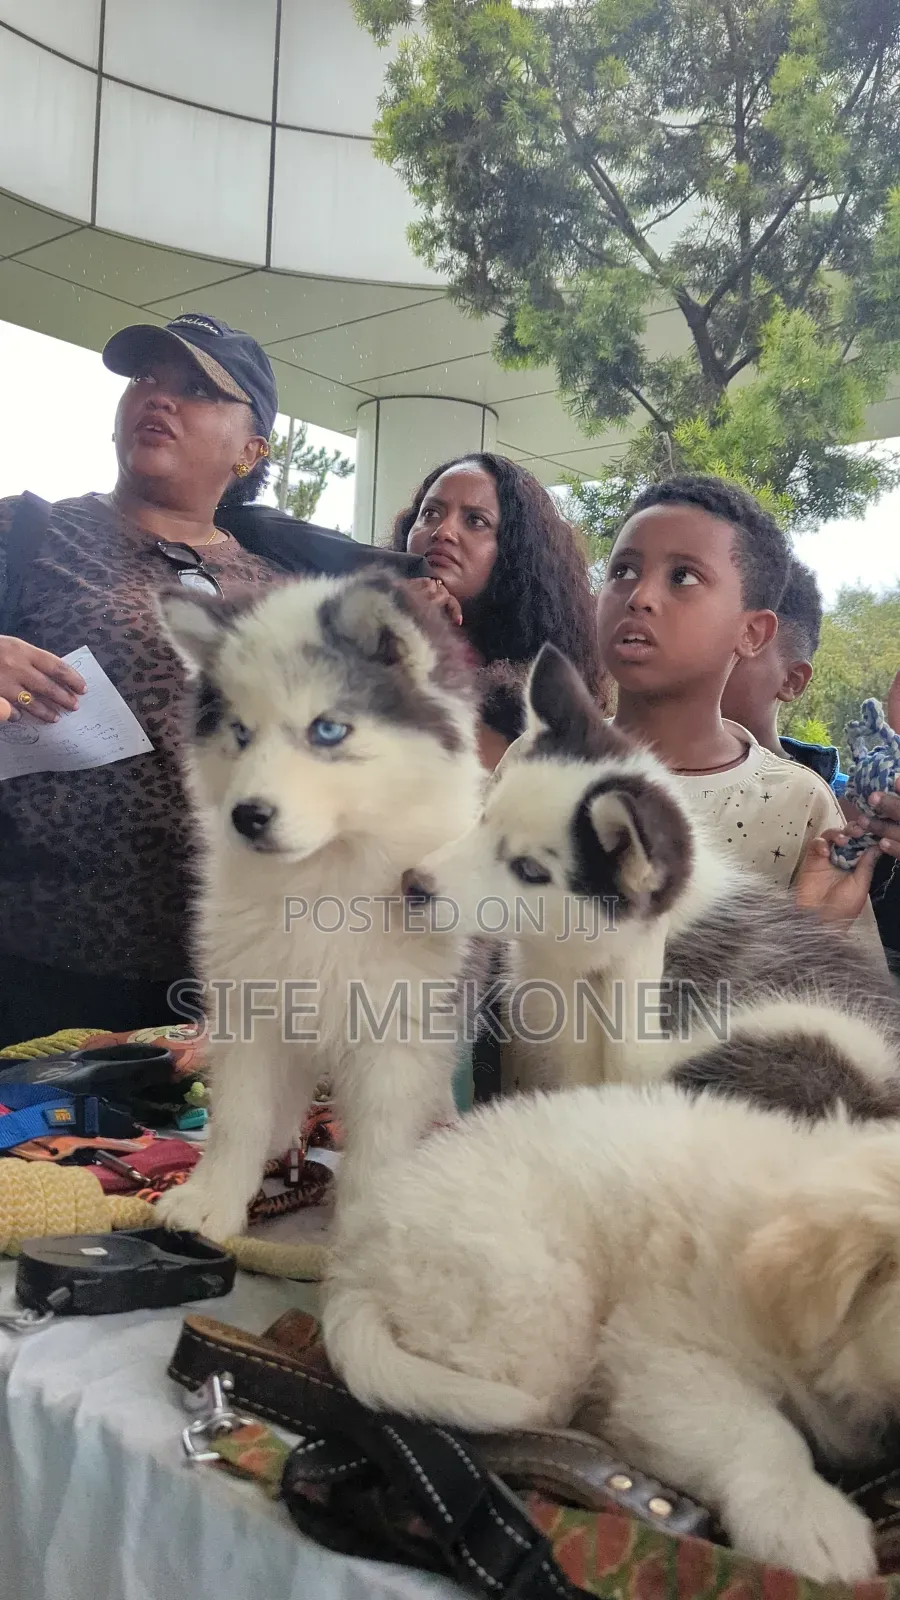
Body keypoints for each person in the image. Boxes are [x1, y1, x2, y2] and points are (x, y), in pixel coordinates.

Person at [0, 313, 287, 1047]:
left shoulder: (287, 597)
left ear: (251, 450)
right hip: (31, 966)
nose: (159, 397)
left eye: (196, 388)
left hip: (220, 984)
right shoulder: (26, 535)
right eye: (145, 378)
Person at [591, 477, 883, 943]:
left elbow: (842, 998)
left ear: (752, 633)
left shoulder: (798, 803)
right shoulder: (541, 755)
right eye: (622, 570)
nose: (639, 595)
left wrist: (810, 935)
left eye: (682, 577)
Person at [391, 453, 606, 769]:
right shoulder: (355, 627)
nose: (443, 531)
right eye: (431, 513)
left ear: (513, 552)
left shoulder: (536, 693)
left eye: (475, 520)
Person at [720, 556, 848, 795]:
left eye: (739, 645)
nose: (705, 659)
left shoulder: (853, 806)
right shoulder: (641, 782)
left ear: (792, 681)